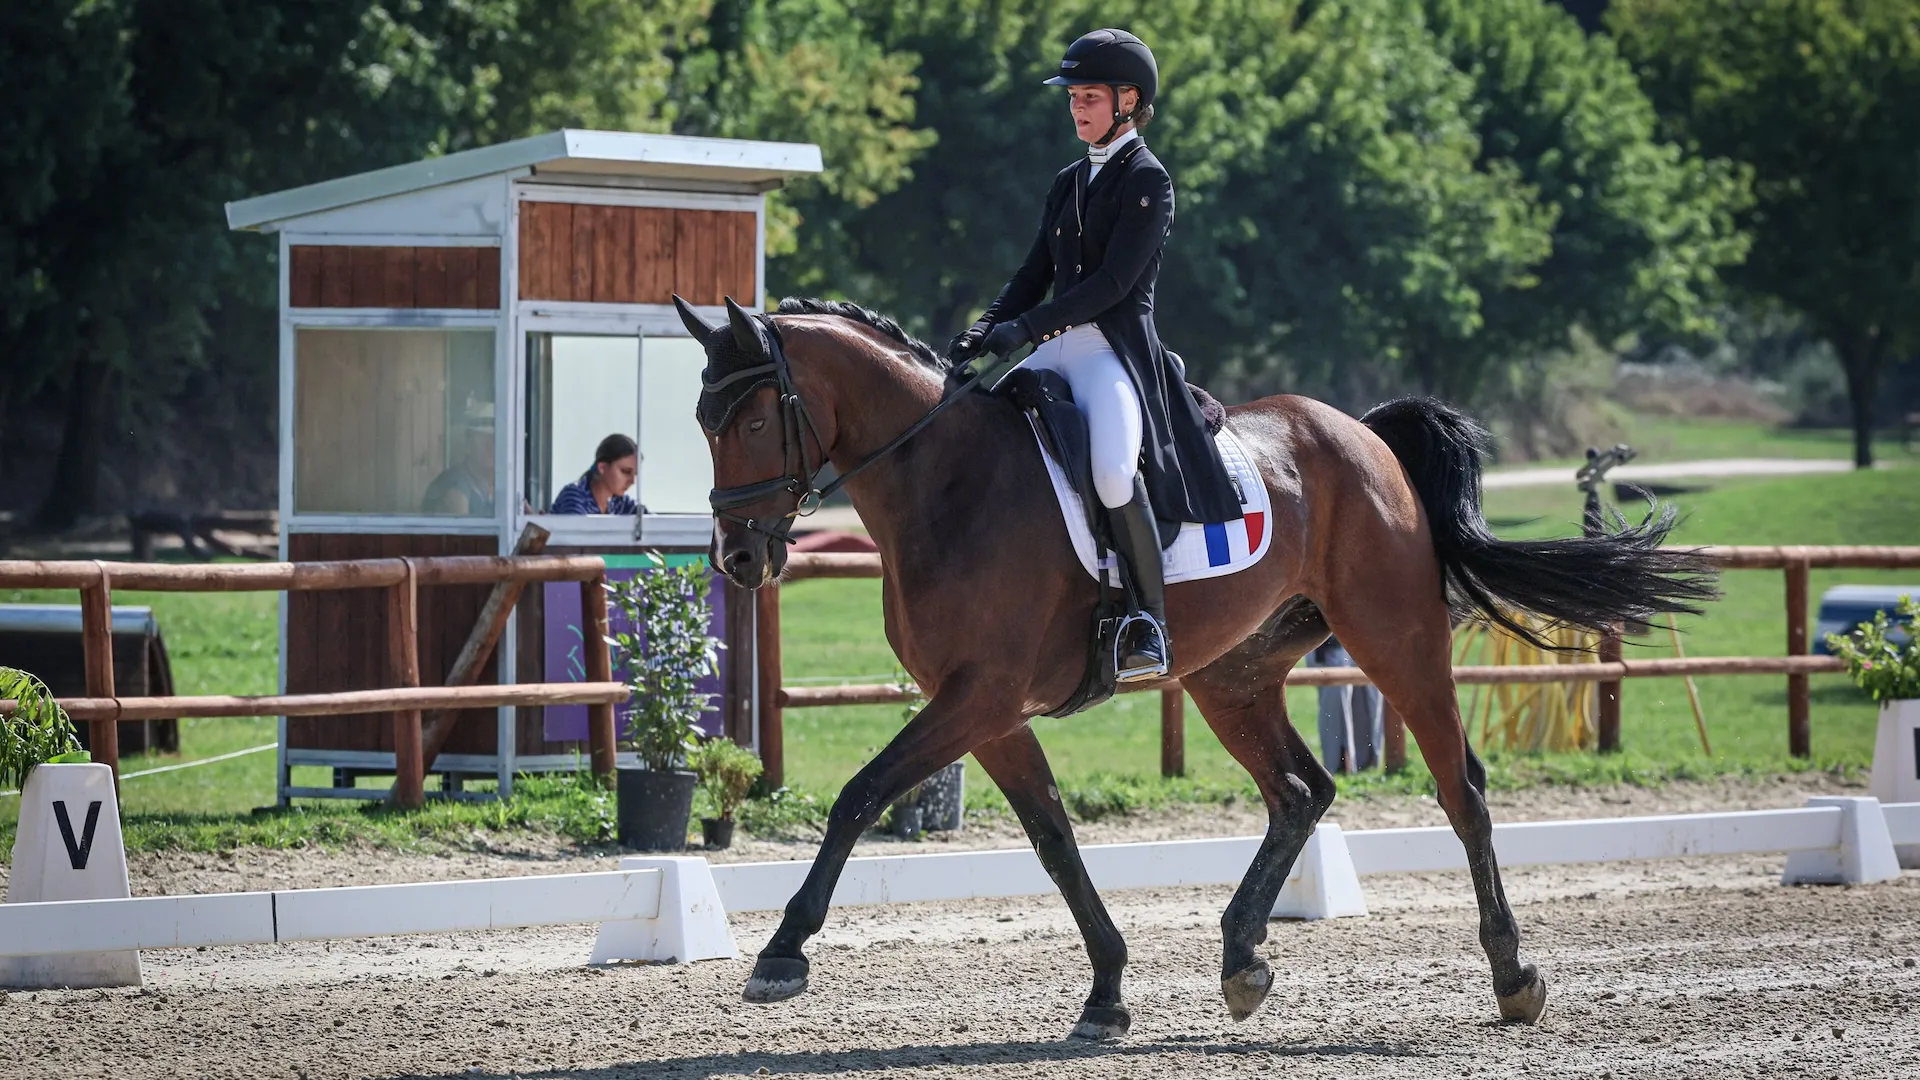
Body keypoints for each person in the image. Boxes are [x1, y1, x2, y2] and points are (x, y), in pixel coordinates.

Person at [949, 28, 1241, 682]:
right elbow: (1033, 272)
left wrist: (1024, 328)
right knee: (975, 434)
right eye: (1073, 97)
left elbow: (1110, 287)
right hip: (1055, 348)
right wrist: (989, 325)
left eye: (1088, 96)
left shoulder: (1148, 181)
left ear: (1128, 100)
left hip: (1114, 350)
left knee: (1112, 471)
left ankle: (1148, 621)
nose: (1077, 108)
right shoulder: (1068, 181)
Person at [422, 401, 496, 516]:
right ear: (467, 441)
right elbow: (463, 533)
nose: (491, 445)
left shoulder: (491, 485)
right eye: (483, 438)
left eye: (495, 439)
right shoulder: (455, 485)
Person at [550, 433, 644, 514]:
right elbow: (577, 533)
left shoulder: (620, 503)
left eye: (635, 474)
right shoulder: (574, 496)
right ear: (602, 468)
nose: (632, 481)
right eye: (626, 471)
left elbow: (651, 523)